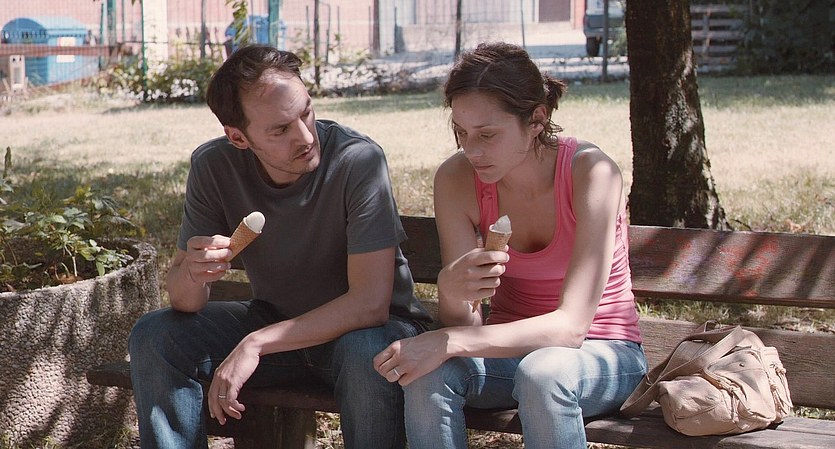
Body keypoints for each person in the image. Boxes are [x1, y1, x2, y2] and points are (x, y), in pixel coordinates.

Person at [128, 45, 432, 449]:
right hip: (278, 324)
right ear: (238, 137)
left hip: (368, 333)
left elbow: (370, 305)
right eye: (280, 130)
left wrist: (256, 343)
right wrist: (193, 273)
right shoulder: (213, 166)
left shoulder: (357, 160)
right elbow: (186, 302)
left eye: (306, 113)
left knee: (368, 351)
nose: (305, 137)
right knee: (155, 335)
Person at [373, 42, 648, 449]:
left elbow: (571, 328)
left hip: (602, 349)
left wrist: (446, 341)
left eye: (487, 134)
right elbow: (466, 325)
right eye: (461, 132)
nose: (472, 150)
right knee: (428, 373)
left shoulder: (593, 173)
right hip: (506, 349)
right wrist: (451, 290)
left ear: (537, 119)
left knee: (544, 374)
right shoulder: (456, 179)